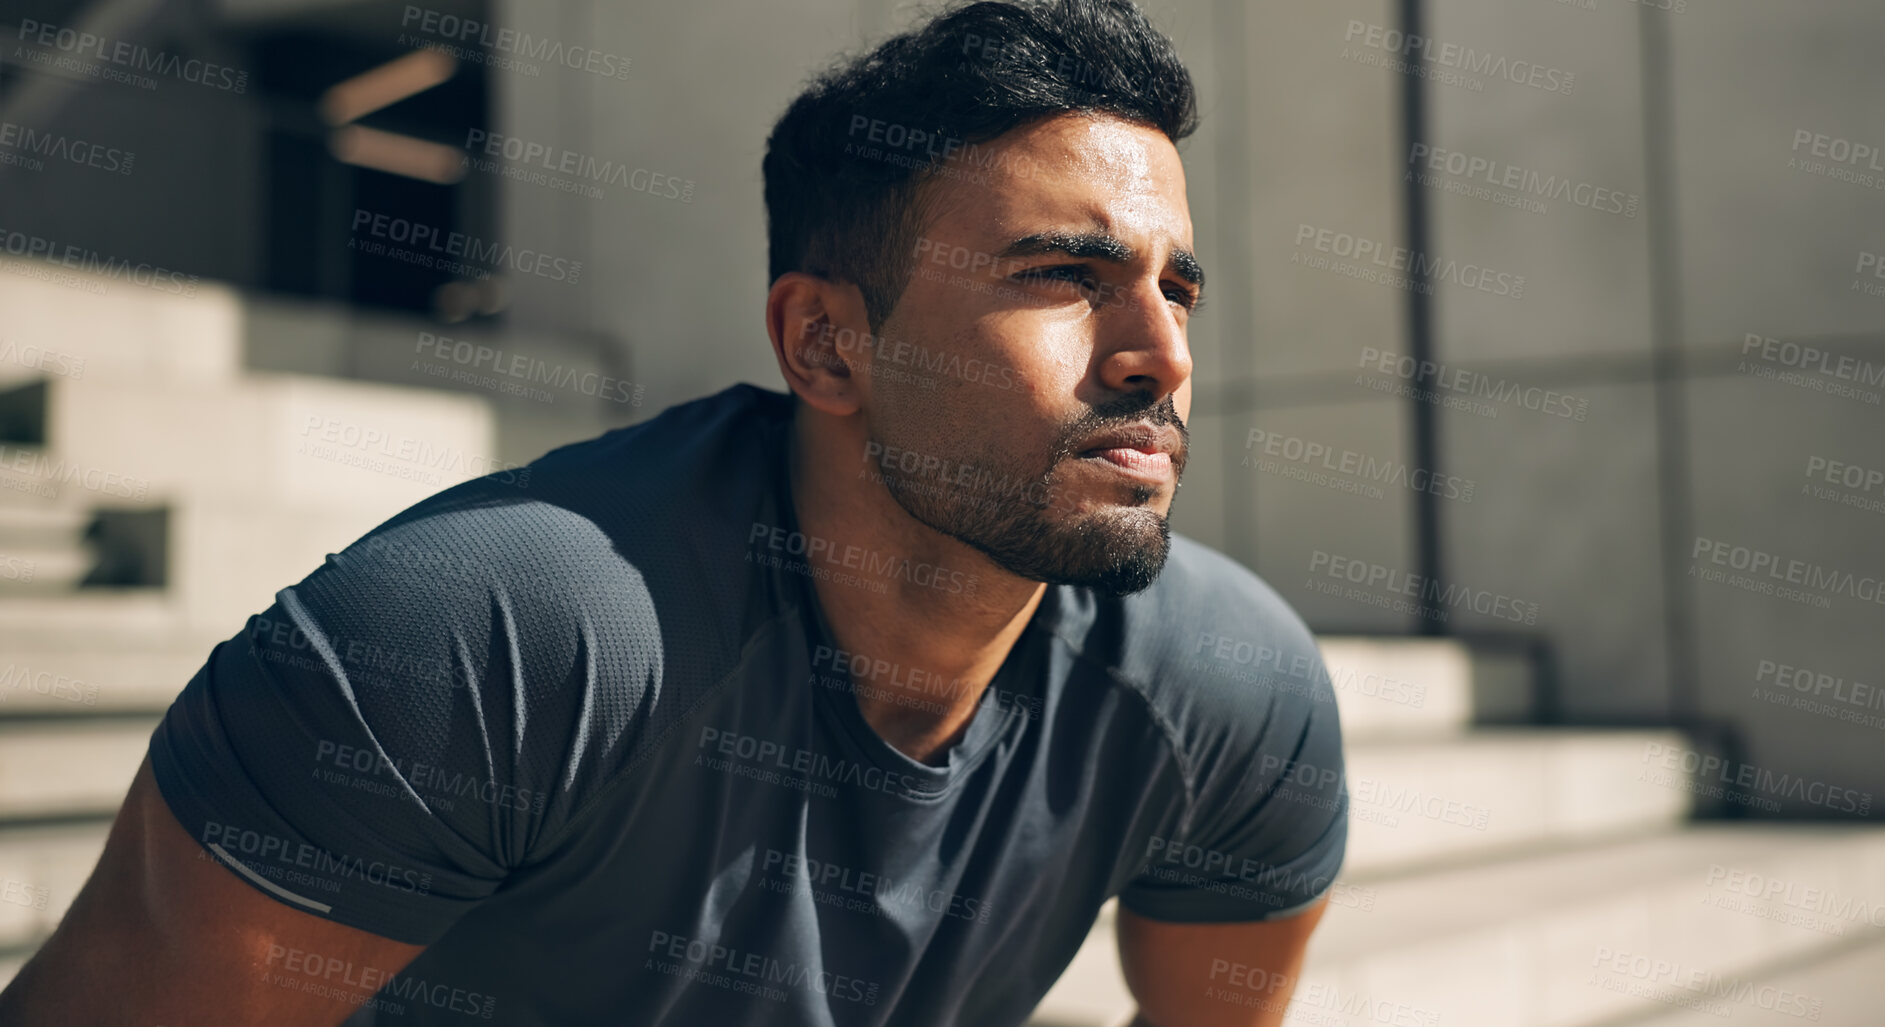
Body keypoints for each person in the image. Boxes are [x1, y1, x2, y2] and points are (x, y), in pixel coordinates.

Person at [0, 1, 1347, 1023]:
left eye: (1179, 289)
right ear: (826, 345)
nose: (1160, 355)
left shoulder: (1228, 690)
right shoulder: (483, 639)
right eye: (1064, 273)